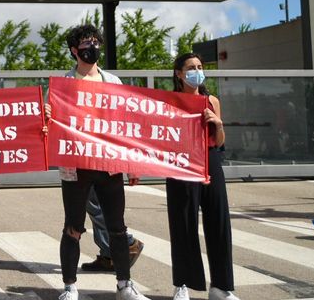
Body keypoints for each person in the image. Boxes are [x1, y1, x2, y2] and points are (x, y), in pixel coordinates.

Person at [46, 24, 149, 300]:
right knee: (73, 227)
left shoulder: (112, 83)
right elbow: (50, 125)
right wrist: (47, 116)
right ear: (74, 50)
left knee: (117, 227)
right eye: (85, 43)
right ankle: (69, 286)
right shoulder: (62, 86)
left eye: (95, 42)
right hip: (76, 168)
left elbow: (127, 125)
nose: (92, 47)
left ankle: (124, 285)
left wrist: (133, 164)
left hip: (109, 166)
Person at [166, 53, 240, 300]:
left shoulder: (212, 101)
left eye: (199, 67)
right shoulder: (170, 101)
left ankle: (221, 286)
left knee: (219, 220)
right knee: (183, 222)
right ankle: (183, 284)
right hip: (182, 164)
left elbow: (220, 142)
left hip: (210, 160)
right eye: (190, 68)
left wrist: (218, 124)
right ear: (179, 73)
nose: (196, 71)